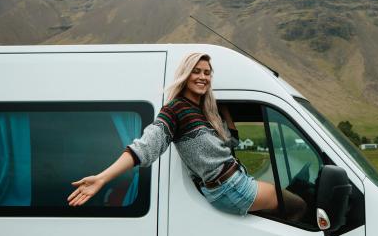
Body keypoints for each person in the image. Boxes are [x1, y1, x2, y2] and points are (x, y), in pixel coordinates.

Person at [67, 51, 306, 220]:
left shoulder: (202, 111)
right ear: (185, 74)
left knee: (289, 196)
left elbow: (230, 144)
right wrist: (102, 178)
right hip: (230, 188)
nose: (203, 77)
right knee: (297, 205)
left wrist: (223, 111)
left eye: (207, 72)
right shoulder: (176, 109)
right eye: (197, 71)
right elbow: (145, 146)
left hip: (233, 182)